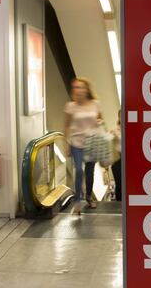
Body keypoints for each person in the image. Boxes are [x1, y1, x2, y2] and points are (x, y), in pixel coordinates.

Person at [64, 77, 102, 214]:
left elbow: (100, 118)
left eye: (81, 87)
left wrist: (99, 121)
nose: (78, 90)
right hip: (76, 142)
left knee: (89, 172)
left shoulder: (95, 104)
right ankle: (77, 201)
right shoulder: (70, 106)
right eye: (76, 87)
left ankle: (88, 197)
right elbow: (66, 126)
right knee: (79, 170)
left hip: (92, 143)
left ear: (87, 90)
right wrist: (66, 144)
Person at [111, 109, 122, 201]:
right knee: (119, 184)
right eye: (120, 115)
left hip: (130, 159)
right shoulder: (115, 129)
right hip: (117, 159)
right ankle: (118, 205)